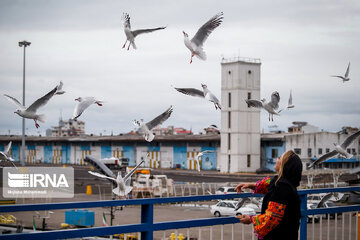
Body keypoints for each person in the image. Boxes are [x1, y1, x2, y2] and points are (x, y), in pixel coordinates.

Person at [235, 150, 303, 240]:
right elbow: (271, 187)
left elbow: (272, 218)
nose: (277, 159)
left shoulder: (283, 186)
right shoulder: (285, 183)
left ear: (285, 165)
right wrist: (253, 186)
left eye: (280, 158)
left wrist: (251, 219)